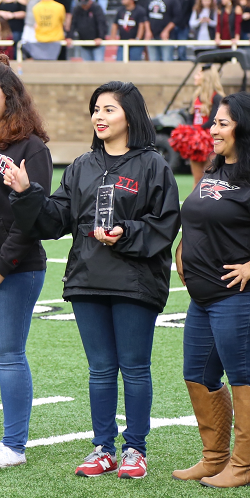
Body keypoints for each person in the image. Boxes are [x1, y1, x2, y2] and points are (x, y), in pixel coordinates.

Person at [4, 80, 181, 479]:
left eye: (108, 109)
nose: (99, 117)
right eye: (96, 109)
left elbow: (165, 223)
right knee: (100, 369)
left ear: (130, 116)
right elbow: (53, 221)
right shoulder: (82, 166)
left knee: (134, 368)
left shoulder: (154, 165)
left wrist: (126, 233)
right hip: (87, 280)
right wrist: (26, 192)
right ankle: (103, 447)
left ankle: (135, 449)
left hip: (136, 281)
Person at [172, 92, 250, 488]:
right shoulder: (217, 170)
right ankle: (214, 460)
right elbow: (199, 218)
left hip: (244, 296)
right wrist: (182, 254)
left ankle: (243, 467)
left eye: (222, 124)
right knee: (198, 374)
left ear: (246, 128)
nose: (212, 131)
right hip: (205, 298)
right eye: (214, 123)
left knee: (244, 377)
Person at [0, 54, 52, 468]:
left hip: (17, 267)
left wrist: (1, 265)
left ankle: (13, 446)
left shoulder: (31, 147)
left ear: (10, 96)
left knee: (8, 352)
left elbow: (30, 216)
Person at [169, 64, 224, 187]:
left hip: (210, 141)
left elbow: (214, 120)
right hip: (196, 142)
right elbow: (190, 117)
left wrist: (198, 130)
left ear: (206, 77)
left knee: (210, 179)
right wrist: (190, 131)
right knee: (197, 179)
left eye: (198, 74)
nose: (195, 77)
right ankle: (194, 204)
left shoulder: (217, 98)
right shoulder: (196, 96)